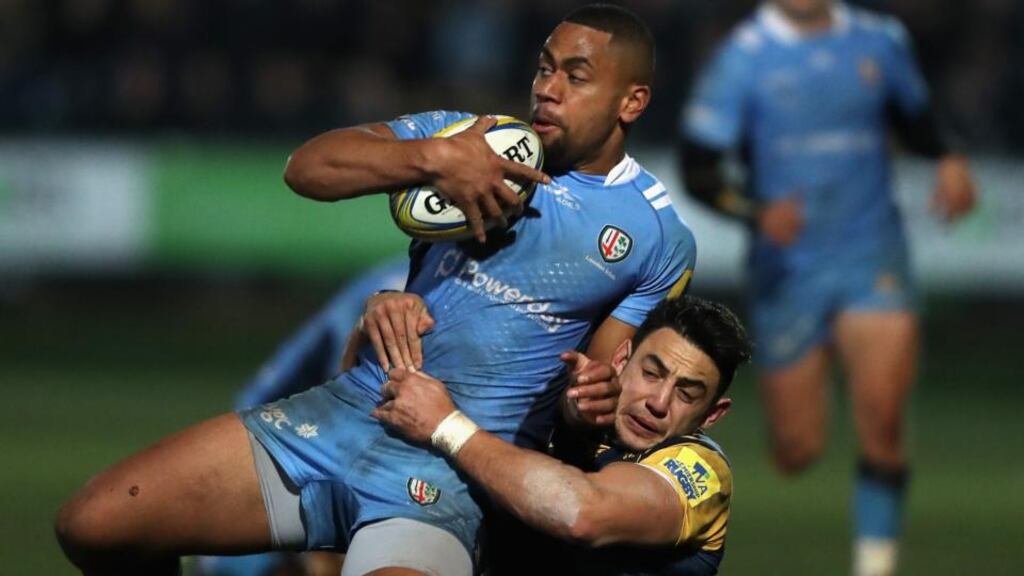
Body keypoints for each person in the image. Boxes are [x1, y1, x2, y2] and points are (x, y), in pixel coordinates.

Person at [55, 5, 697, 576]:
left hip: (444, 476)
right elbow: (308, 168)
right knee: (93, 527)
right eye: (544, 68)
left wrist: (590, 401)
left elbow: (597, 397)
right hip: (342, 414)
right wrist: (432, 160)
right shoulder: (466, 137)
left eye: (575, 77)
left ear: (631, 102)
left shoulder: (657, 236)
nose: (547, 90)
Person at [679, 2, 977, 575]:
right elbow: (700, 169)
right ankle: (810, 391)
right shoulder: (743, 58)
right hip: (788, 270)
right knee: (797, 451)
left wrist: (948, 157)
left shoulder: (879, 40)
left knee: (883, 422)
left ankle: (875, 564)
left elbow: (915, 116)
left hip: (873, 253)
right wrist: (755, 211)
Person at [375, 295, 752, 576]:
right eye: (651, 374)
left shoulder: (699, 472)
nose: (658, 402)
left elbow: (582, 514)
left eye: (686, 394)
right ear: (622, 360)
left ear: (712, 414)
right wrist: (381, 315)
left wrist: (447, 426)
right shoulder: (556, 406)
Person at [195, 257, 407, 576]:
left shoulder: (385, 279)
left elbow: (272, 384)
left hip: (355, 453)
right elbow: (276, 382)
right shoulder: (386, 282)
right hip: (384, 466)